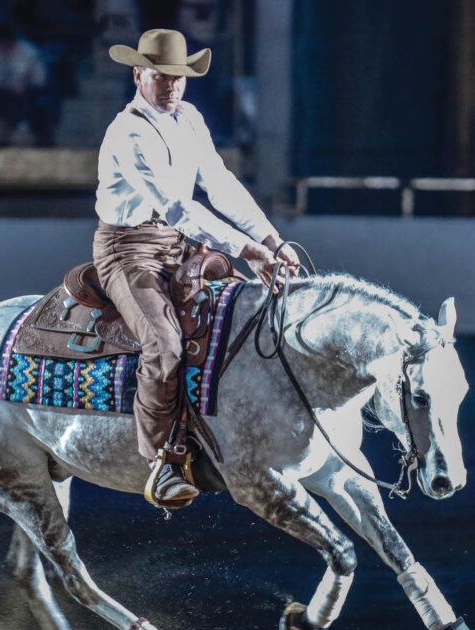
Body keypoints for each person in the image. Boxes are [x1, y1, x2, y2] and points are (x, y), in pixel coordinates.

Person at [94, 28, 300, 506]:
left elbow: (220, 185)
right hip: (128, 250)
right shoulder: (127, 132)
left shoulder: (189, 118)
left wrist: (270, 238)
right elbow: (177, 207)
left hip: (178, 244)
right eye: (161, 76)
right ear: (138, 75)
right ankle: (162, 461)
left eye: (179, 77)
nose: (171, 85)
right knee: (163, 344)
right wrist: (249, 250)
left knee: (242, 315)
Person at [0, 31, 55, 147]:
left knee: (23, 100)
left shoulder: (29, 51)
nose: (1, 48)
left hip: (30, 90)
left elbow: (40, 80)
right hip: (2, 91)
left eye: (4, 44)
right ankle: (0, 135)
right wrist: (8, 86)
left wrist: (24, 85)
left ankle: (26, 133)